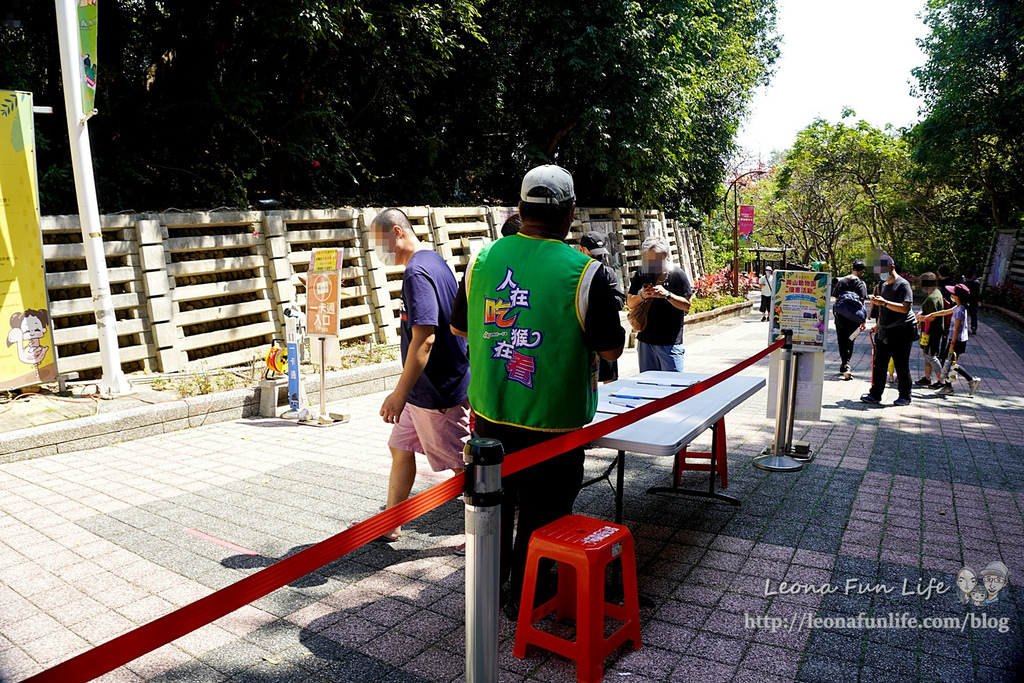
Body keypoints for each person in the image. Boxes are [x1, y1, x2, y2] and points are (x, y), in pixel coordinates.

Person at [450, 164, 625, 618]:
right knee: (543, 516)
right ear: (569, 213)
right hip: (555, 425)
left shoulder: (482, 260)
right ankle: (523, 602)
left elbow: (459, 328)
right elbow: (610, 348)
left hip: (490, 417)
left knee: (491, 507)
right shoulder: (586, 273)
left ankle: (488, 587)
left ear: (521, 208)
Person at [369, 208, 472, 550]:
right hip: (425, 390)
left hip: (437, 391)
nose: (378, 250)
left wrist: (399, 393)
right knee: (399, 447)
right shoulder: (434, 260)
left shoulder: (416, 273)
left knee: (465, 467)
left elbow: (425, 337)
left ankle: (482, 534)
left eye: (379, 241)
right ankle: (391, 521)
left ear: (396, 232)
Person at [625, 236, 692, 372]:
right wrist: (642, 295)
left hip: (670, 343)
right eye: (650, 260)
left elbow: (687, 305)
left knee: (674, 387)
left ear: (666, 255)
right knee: (648, 386)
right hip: (645, 341)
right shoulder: (642, 273)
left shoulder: (678, 275)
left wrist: (667, 295)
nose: (653, 264)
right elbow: (630, 303)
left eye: (657, 259)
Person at [861, 254, 917, 406]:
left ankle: (905, 396)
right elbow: (881, 310)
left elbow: (905, 308)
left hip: (901, 331)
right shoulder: (882, 285)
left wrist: (885, 302)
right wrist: (877, 326)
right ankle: (875, 394)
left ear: (892, 268)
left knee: (901, 365)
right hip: (885, 331)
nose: (881, 273)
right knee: (879, 364)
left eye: (883, 270)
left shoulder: (903, 285)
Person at [579, 230, 627, 382]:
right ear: (581, 250)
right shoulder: (574, 274)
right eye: (593, 256)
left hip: (605, 336)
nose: (597, 260)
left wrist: (603, 302)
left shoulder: (607, 273)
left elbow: (620, 300)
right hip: (581, 339)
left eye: (600, 256)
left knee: (610, 381)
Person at [920, 283, 981, 397]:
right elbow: (944, 312)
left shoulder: (960, 310)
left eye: (953, 293)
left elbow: (957, 328)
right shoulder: (958, 307)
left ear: (957, 296)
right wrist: (931, 315)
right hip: (954, 340)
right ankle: (949, 387)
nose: (951, 295)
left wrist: (952, 344)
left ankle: (971, 380)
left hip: (957, 340)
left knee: (950, 363)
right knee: (949, 363)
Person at [832, 259, 869, 380]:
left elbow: (836, 299)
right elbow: (862, 303)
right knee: (850, 341)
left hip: (841, 318)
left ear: (851, 268)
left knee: (841, 341)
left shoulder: (842, 281)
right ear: (862, 271)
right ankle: (846, 363)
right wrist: (863, 320)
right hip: (854, 319)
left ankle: (844, 363)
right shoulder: (861, 284)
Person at [915, 272, 945, 387]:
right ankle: (927, 377)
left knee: (931, 355)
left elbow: (931, 317)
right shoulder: (936, 293)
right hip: (930, 330)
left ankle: (942, 380)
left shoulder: (932, 298)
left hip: (932, 331)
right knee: (927, 353)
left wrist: (919, 319)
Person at [963, 268, 981, 335]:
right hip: (973, 302)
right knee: (973, 315)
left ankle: (964, 327)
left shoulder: (964, 284)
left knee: (964, 315)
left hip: (965, 302)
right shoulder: (976, 284)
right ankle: (974, 326)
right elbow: (977, 293)